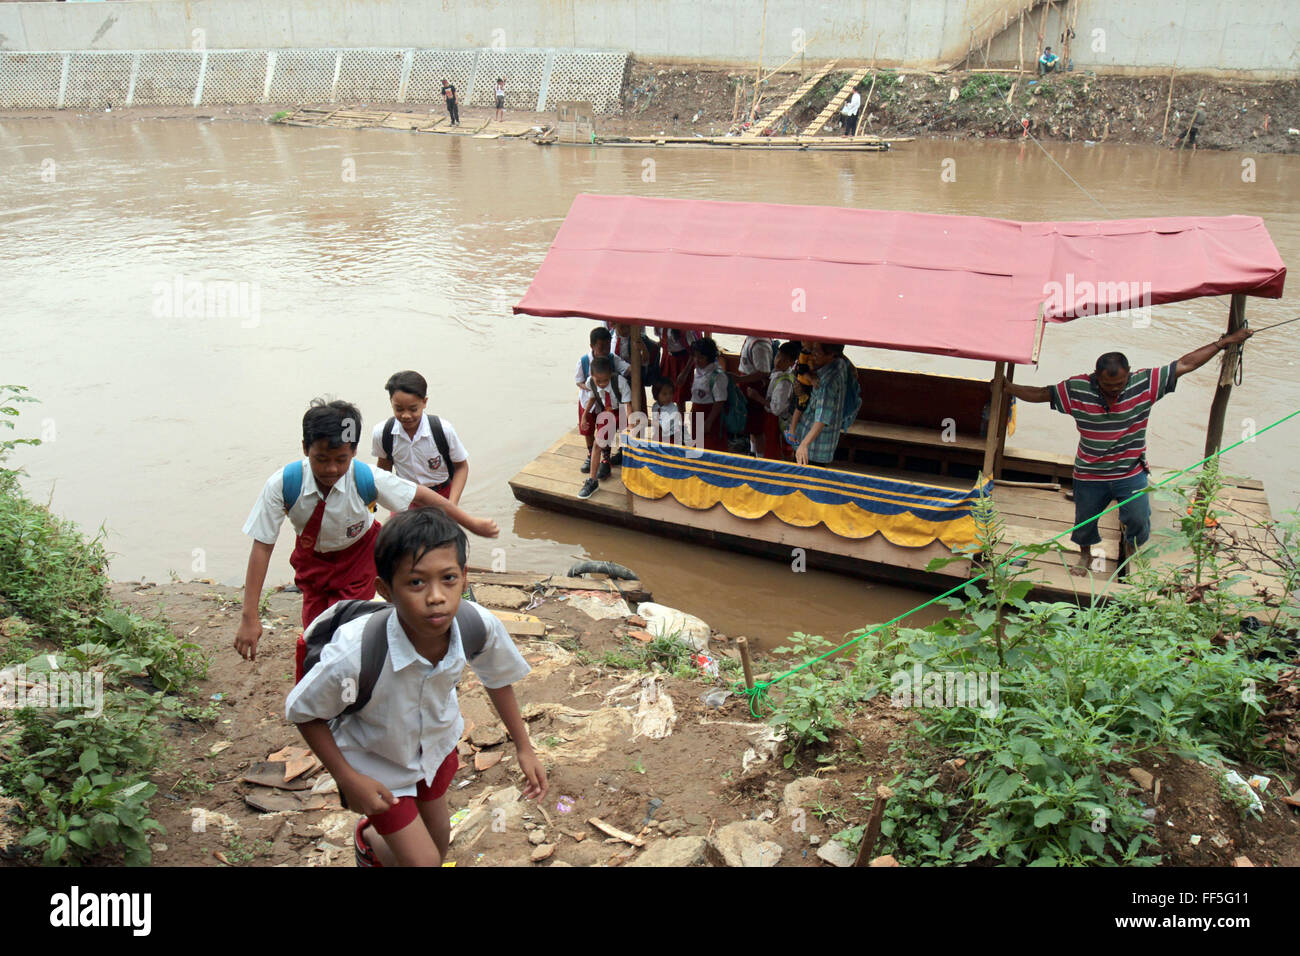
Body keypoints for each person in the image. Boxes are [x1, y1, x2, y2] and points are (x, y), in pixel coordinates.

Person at [286, 508, 547, 867]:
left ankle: (372, 841)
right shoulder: (355, 653)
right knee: (424, 862)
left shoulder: (475, 625)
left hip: (435, 748)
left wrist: (524, 747)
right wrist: (347, 778)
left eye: (448, 578)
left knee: (438, 845)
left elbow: (497, 678)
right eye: (416, 583)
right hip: (375, 762)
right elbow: (303, 712)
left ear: (464, 578)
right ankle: (370, 838)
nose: (436, 596)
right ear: (386, 591)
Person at [234, 399, 499, 662]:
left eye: (341, 459)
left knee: (349, 633)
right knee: (316, 633)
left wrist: (471, 523)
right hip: (312, 566)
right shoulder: (284, 484)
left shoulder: (367, 478)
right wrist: (250, 616)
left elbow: (425, 497)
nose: (332, 469)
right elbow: (263, 546)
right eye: (321, 459)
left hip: (359, 562)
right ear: (305, 448)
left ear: (354, 451)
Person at [1005, 327, 1254, 576]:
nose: (1114, 389)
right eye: (1107, 385)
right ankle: (1085, 556)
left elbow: (1186, 363)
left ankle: (1131, 554)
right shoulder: (1076, 388)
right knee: (1085, 519)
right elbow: (1040, 393)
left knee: (1138, 518)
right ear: (1096, 377)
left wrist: (1225, 343)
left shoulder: (1144, 383)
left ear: (1129, 375)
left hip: (1130, 470)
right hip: (1091, 472)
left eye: (1119, 384)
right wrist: (1008, 388)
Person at [373, 370, 468, 504]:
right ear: (391, 402)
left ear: (424, 402)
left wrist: (452, 504)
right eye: (399, 409)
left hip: (442, 495)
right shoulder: (382, 433)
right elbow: (384, 469)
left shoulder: (443, 430)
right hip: (405, 496)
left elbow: (461, 467)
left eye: (413, 409)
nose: (406, 415)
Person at [576, 326, 632, 473]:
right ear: (592, 346)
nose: (606, 351)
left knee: (605, 428)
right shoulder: (583, 361)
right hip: (589, 399)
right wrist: (594, 388)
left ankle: (606, 458)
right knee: (587, 429)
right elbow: (579, 381)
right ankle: (590, 455)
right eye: (602, 347)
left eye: (608, 346)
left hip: (608, 403)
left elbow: (628, 369)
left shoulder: (613, 360)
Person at [578, 355, 631, 499]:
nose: (601, 384)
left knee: (630, 441)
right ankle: (592, 481)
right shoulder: (590, 382)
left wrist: (630, 424)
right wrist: (584, 415)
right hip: (607, 412)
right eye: (598, 381)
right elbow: (593, 397)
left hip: (622, 410)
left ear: (611, 375)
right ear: (592, 376)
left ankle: (633, 474)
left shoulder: (620, 382)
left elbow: (627, 404)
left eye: (605, 380)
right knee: (597, 443)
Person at [794, 342, 854, 467]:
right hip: (822, 443)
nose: (813, 354)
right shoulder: (840, 363)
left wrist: (804, 444)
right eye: (813, 349)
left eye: (818, 352)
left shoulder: (827, 383)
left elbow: (822, 417)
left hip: (813, 448)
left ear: (831, 355)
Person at [746, 340, 798, 460]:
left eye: (784, 360)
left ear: (791, 363)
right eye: (778, 356)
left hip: (775, 420)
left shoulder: (785, 382)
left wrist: (757, 397)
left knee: (772, 450)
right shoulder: (779, 373)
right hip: (773, 419)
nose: (778, 361)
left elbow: (776, 409)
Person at [681, 337, 729, 453]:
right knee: (697, 445)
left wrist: (708, 422)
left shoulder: (717, 376)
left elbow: (720, 401)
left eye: (701, 357)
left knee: (710, 449)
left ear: (710, 357)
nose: (696, 360)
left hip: (709, 415)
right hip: (697, 412)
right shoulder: (698, 370)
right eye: (695, 356)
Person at [737, 336, 774, 455]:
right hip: (746, 384)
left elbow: (763, 372)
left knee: (757, 427)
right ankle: (753, 452)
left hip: (753, 387)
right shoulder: (751, 338)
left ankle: (760, 458)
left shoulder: (760, 345)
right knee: (751, 425)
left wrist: (739, 379)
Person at [784, 341, 818, 447]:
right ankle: (792, 430)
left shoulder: (814, 353)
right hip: (803, 384)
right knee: (801, 405)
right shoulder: (804, 353)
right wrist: (812, 380)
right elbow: (801, 369)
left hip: (809, 384)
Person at [658, 327, 701, 406]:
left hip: (682, 362)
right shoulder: (661, 326)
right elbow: (662, 341)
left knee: (680, 397)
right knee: (664, 391)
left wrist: (685, 373)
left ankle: (680, 417)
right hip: (668, 359)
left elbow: (694, 351)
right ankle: (667, 417)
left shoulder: (686, 330)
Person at [651, 379, 684, 446]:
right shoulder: (655, 406)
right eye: (664, 394)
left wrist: (649, 422)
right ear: (656, 394)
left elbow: (665, 427)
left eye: (671, 393)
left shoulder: (673, 409)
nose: (668, 396)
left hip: (671, 438)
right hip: (658, 436)